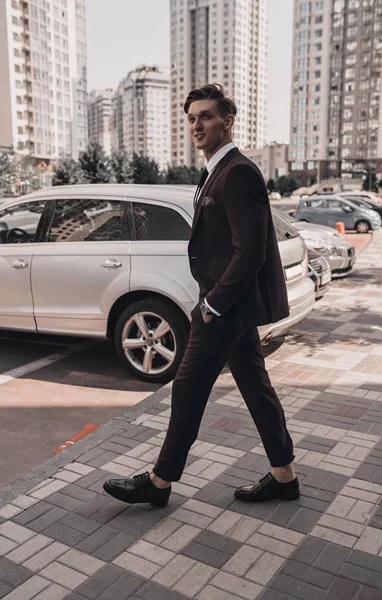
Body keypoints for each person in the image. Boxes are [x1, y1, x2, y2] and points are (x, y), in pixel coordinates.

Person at [104, 84, 299, 508]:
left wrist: (212, 305)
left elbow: (250, 252)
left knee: (188, 387)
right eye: (192, 118)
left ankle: (159, 482)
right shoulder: (215, 170)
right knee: (254, 384)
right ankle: (284, 475)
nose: (197, 125)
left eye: (206, 116)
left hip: (225, 306)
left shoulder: (238, 171)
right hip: (229, 304)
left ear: (228, 121)